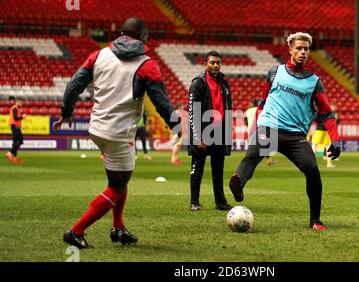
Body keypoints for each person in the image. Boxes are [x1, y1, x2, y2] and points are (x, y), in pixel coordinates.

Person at [53, 18, 180, 249]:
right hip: (119, 133)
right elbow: (161, 102)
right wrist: (176, 126)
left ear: (122, 33)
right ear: (143, 38)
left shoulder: (98, 55)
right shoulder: (147, 64)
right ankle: (76, 231)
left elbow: (73, 85)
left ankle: (118, 228)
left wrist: (66, 112)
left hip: (97, 128)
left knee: (121, 178)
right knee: (117, 185)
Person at [229, 32, 341, 230]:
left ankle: (315, 220)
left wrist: (336, 140)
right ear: (290, 49)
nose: (303, 52)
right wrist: (255, 128)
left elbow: (327, 113)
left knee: (313, 170)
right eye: (299, 48)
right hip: (269, 126)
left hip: (295, 135)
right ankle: (238, 183)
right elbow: (262, 103)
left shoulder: (314, 82)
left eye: (306, 49)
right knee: (253, 155)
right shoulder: (274, 72)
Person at [188, 50, 233, 212]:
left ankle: (220, 202)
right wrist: (197, 136)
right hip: (203, 131)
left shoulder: (224, 82)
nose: (215, 65)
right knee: (197, 167)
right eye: (212, 62)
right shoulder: (197, 83)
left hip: (220, 131)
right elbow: (193, 111)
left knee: (218, 169)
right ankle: (194, 201)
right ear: (205, 63)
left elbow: (227, 107)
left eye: (218, 62)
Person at [245, 98, 277, 166]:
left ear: (251, 103)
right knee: (264, 145)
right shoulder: (259, 109)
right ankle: (268, 160)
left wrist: (249, 126)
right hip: (259, 128)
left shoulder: (248, 111)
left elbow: (245, 120)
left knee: (251, 146)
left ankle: (249, 161)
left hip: (250, 130)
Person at [311, 102, 339, 168]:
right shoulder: (330, 112)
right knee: (328, 146)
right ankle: (329, 164)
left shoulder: (319, 110)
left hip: (319, 130)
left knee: (314, 145)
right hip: (327, 130)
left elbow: (315, 118)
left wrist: (320, 122)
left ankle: (312, 163)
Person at [6, 97, 26, 163]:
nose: (22, 103)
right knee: (20, 141)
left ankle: (14, 158)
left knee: (15, 142)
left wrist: (21, 117)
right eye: (21, 102)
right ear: (18, 102)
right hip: (15, 126)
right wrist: (22, 117)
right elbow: (15, 118)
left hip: (14, 126)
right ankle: (10, 152)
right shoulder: (15, 108)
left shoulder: (16, 108)